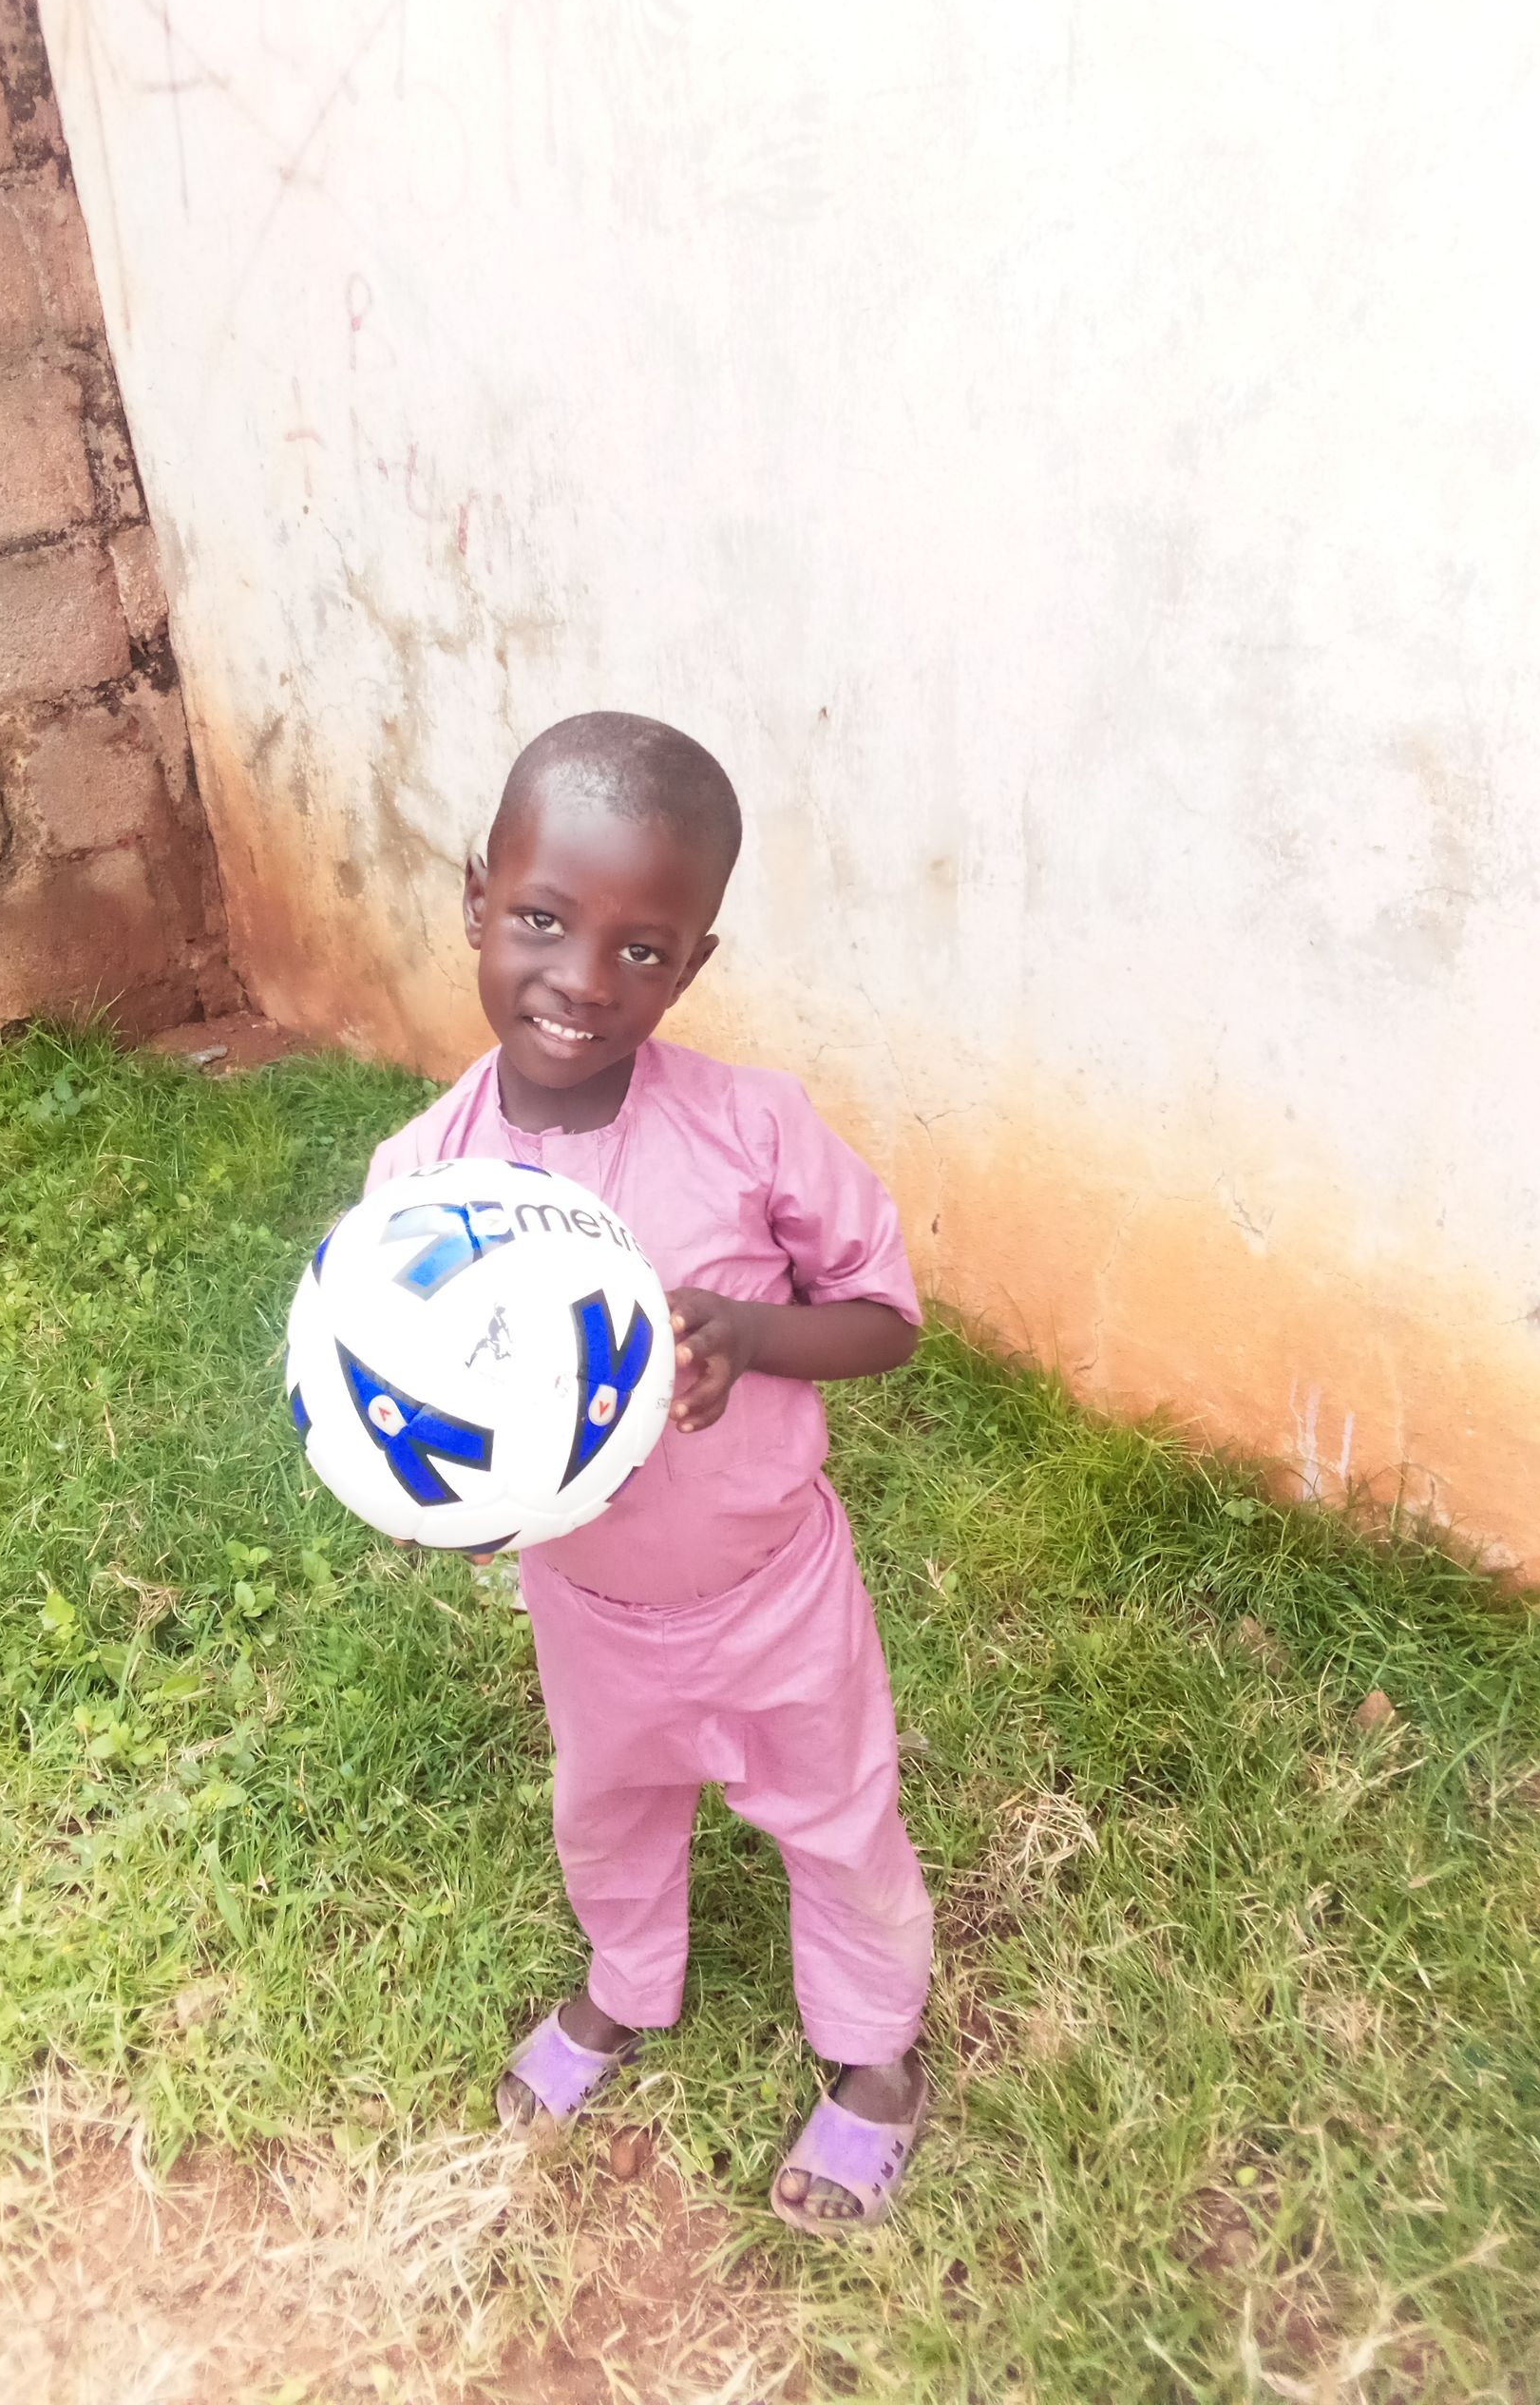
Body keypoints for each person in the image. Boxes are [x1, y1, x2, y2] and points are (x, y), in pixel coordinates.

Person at [364, 712, 933, 2231]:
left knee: (838, 1814)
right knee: (607, 1809)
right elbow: (399, 1412)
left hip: (773, 1589)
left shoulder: (752, 1131)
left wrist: (751, 1333)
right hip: (592, 1608)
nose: (583, 979)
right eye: (543, 921)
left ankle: (875, 2050)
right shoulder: (421, 1191)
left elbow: (885, 1321)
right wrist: (439, 1505)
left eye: (642, 949)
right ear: (476, 899)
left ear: (693, 966)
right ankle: (626, 1983)